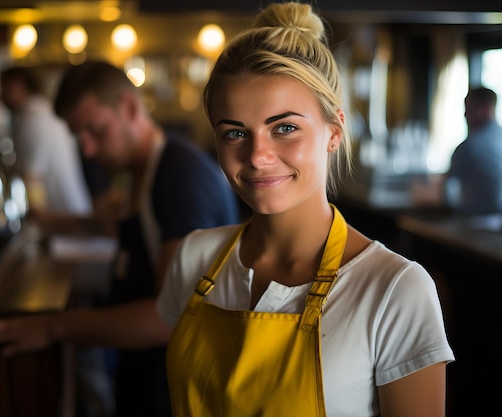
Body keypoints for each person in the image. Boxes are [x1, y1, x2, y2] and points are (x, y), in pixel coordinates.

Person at [156, 2, 454, 416]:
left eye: (285, 128)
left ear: (333, 132)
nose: (257, 156)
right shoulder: (195, 257)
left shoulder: (394, 290)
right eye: (235, 132)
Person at [0, 61, 241, 417]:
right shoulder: (140, 171)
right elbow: (110, 228)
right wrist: (53, 222)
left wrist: (52, 326)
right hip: (143, 379)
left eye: (95, 131)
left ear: (130, 108)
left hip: (178, 395)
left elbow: (168, 317)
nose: (87, 149)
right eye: (78, 137)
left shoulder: (178, 178)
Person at [0, 65, 93, 216]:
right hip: (72, 216)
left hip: (65, 224)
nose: (0, 93)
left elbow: (31, 181)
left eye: (3, 86)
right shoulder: (42, 110)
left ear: (18, 84)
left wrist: (35, 221)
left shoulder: (33, 119)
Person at [445, 86, 502, 215]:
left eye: (468, 108)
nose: (464, 114)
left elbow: (445, 190)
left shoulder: (468, 146)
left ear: (485, 109)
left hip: (474, 221)